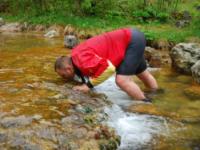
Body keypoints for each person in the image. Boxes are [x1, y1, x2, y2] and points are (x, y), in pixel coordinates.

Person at [55, 28, 158, 102]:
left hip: (131, 41)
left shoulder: (82, 61)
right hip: (132, 37)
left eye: (63, 75)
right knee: (142, 74)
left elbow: (108, 68)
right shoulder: (75, 56)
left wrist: (88, 86)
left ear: (68, 69)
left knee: (122, 81)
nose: (64, 78)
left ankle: (146, 104)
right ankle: (157, 94)